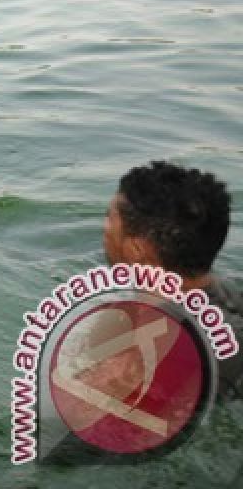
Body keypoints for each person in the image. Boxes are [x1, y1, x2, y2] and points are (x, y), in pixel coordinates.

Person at [103, 160, 241, 399]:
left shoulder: (145, 361)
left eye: (109, 219)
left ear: (137, 250)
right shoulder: (232, 300)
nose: (104, 230)